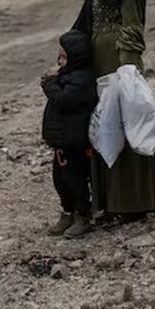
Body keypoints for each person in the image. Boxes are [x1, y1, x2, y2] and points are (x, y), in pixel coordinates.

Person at [41, 0, 155, 222]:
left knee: (125, 126)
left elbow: (132, 25)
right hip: (99, 63)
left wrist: (126, 69)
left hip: (118, 64)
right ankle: (108, 202)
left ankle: (132, 204)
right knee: (102, 128)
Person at [41, 31, 99, 239]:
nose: (59, 61)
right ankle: (67, 212)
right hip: (61, 141)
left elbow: (63, 100)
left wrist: (49, 82)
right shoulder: (67, 77)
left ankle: (82, 216)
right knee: (60, 180)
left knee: (76, 181)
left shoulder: (82, 80)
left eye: (64, 57)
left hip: (74, 142)